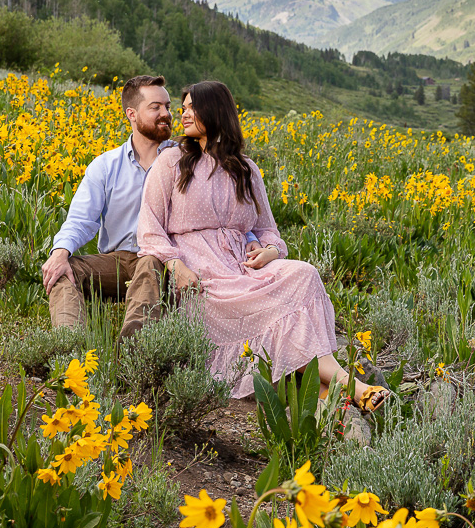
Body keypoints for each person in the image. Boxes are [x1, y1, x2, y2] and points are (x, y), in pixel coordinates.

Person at [136, 80, 386, 405]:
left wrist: (268, 252)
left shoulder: (246, 170)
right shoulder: (170, 163)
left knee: (305, 274)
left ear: (215, 112)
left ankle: (333, 393)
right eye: (181, 108)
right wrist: (175, 264)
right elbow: (150, 229)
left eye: (190, 108)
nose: (182, 115)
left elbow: (270, 233)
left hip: (243, 270)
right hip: (201, 278)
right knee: (279, 311)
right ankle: (350, 390)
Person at [42, 75, 176, 337]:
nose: (166, 114)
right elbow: (81, 220)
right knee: (62, 271)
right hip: (116, 261)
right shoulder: (106, 165)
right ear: (132, 114)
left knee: (149, 263)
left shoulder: (181, 161)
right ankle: (68, 348)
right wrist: (60, 252)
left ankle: (134, 355)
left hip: (161, 262)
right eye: (156, 107)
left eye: (168, 106)